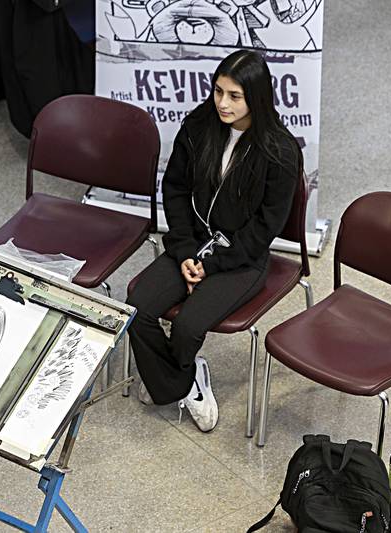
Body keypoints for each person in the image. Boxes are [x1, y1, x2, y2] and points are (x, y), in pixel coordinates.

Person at [127, 50, 303, 432]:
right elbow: (174, 188)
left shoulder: (281, 151)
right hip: (192, 243)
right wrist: (186, 252)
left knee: (189, 326)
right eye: (218, 91)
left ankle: (167, 381)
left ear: (255, 97)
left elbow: (264, 228)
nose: (222, 103)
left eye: (234, 96)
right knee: (137, 308)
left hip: (243, 258)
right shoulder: (198, 126)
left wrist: (211, 265)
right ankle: (184, 380)